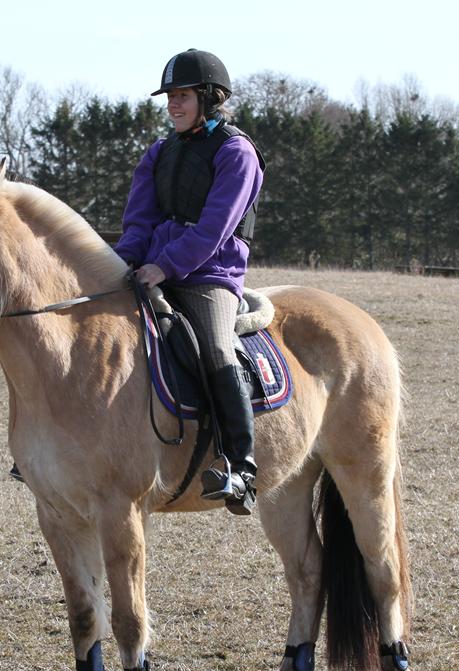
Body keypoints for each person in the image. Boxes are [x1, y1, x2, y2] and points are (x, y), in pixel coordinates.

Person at [114, 49, 265, 515]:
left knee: (218, 347)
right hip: (151, 267)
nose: (173, 105)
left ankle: (241, 466)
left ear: (209, 98)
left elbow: (213, 230)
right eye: (170, 98)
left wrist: (166, 266)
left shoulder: (237, 153)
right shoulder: (159, 152)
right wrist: (119, 264)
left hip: (208, 274)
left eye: (182, 96)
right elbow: (138, 222)